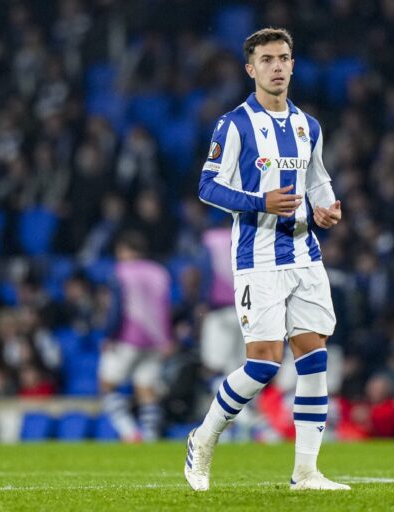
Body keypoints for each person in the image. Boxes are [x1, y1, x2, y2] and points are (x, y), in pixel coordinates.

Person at [184, 28, 348, 492]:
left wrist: (328, 207)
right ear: (250, 69)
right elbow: (208, 186)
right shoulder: (233, 124)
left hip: (304, 253)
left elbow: (318, 179)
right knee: (263, 364)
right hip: (258, 259)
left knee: (314, 357)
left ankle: (306, 472)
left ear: (293, 65)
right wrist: (259, 201)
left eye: (284, 58)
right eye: (267, 59)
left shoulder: (308, 125)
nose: (277, 67)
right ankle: (204, 438)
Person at [99, 231, 172, 442]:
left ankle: (129, 432)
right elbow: (165, 307)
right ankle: (150, 437)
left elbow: (116, 307)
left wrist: (109, 335)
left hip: (127, 337)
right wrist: (167, 338)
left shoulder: (121, 271)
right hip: (156, 340)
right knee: (146, 388)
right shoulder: (159, 272)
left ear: (125, 250)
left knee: (107, 384)